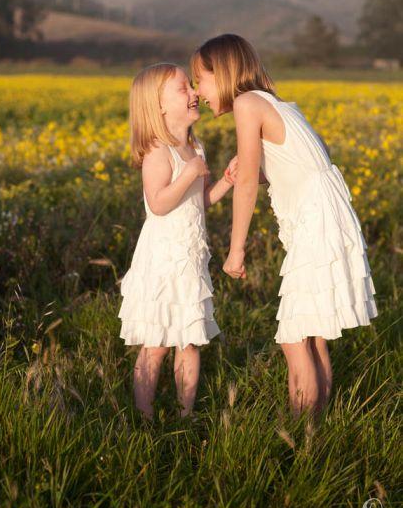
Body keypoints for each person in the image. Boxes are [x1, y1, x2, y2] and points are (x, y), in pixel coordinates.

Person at [191, 33, 378, 419]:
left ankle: (301, 435)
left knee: (294, 338)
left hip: (315, 223)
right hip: (330, 217)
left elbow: (245, 185)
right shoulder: (280, 104)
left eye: (201, 80)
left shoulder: (246, 103)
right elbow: (313, 159)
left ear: (222, 73)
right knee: (312, 337)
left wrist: (236, 248)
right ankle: (316, 432)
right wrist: (261, 172)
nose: (199, 91)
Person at [118, 62, 238, 420]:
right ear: (159, 106)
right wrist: (187, 174)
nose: (195, 94)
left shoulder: (194, 149)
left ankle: (186, 415)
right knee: (155, 345)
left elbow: (197, 204)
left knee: (189, 340)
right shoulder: (158, 151)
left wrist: (226, 182)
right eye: (183, 89)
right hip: (163, 261)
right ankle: (145, 416)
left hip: (189, 258)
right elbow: (158, 203)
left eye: (192, 86)